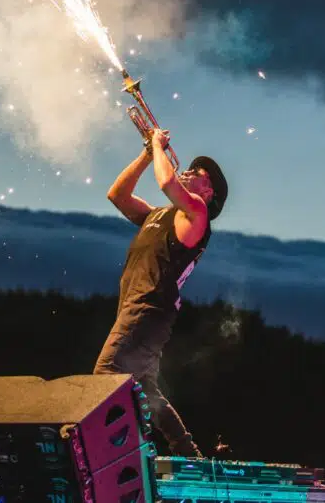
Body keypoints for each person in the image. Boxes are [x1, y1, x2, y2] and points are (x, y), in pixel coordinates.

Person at [93, 128, 228, 458]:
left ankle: (112, 455)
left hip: (148, 307)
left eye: (198, 173)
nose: (189, 171)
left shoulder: (197, 214)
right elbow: (117, 195)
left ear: (208, 191)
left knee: (105, 377)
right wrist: (145, 154)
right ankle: (187, 451)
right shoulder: (159, 215)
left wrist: (157, 147)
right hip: (141, 308)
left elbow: (167, 183)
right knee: (144, 389)